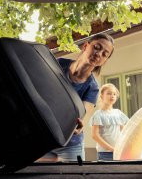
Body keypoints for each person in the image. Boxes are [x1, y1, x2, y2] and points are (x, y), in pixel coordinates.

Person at [38, 33, 115, 162]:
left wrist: (78, 125)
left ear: (104, 61)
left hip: (70, 144)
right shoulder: (58, 64)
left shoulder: (93, 88)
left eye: (104, 54)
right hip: (45, 139)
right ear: (85, 46)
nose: (98, 54)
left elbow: (82, 116)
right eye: (97, 47)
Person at [89, 83, 129, 161]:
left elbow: (124, 132)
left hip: (119, 152)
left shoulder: (118, 113)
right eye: (109, 93)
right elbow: (94, 136)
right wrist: (112, 149)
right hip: (105, 154)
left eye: (114, 94)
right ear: (101, 96)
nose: (112, 96)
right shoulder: (98, 114)